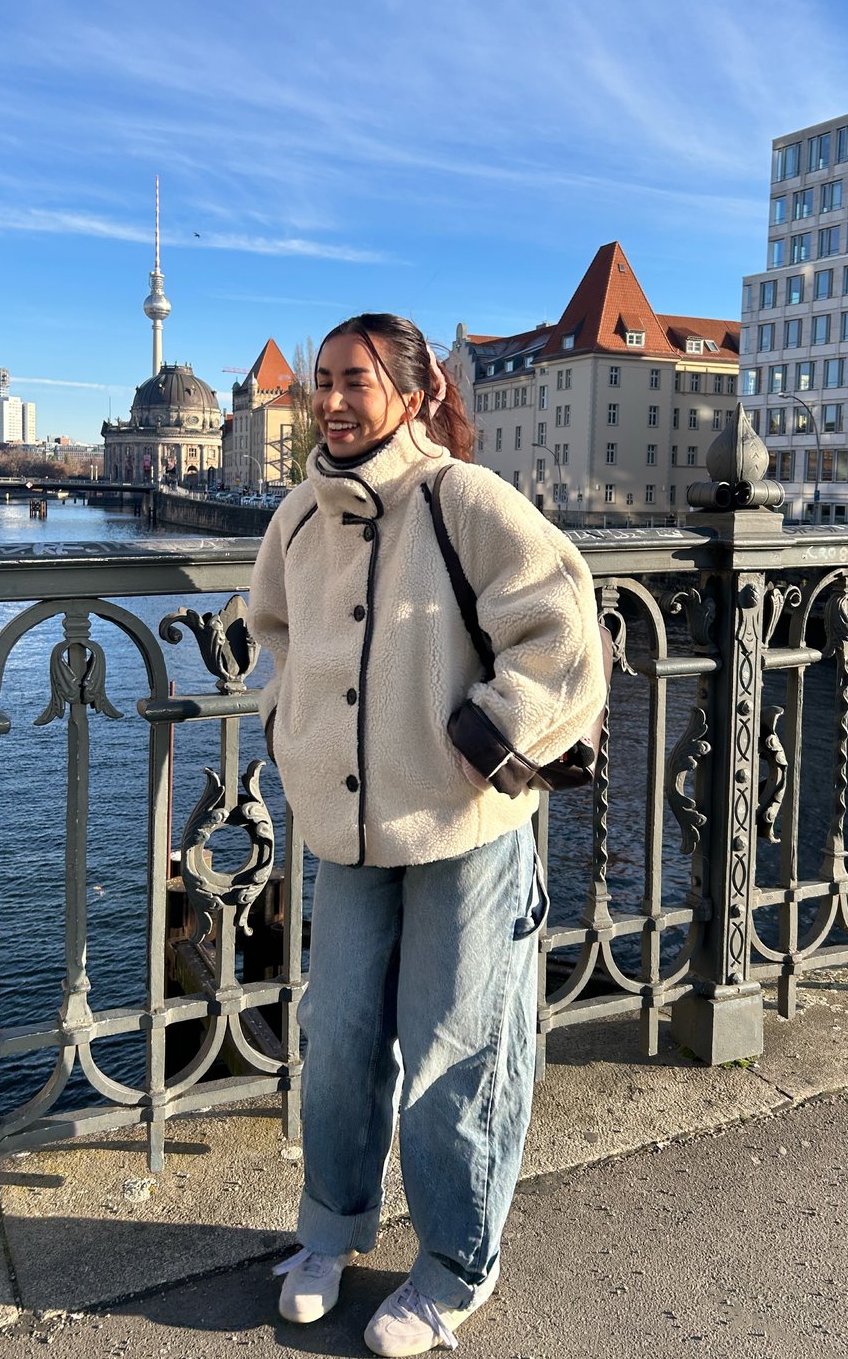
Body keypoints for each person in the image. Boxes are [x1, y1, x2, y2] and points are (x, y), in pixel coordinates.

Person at [248, 313, 605, 1355]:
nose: (330, 400)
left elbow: (563, 625)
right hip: (347, 825)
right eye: (321, 380)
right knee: (338, 1038)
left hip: (461, 819)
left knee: (458, 1047)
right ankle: (329, 1230)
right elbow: (273, 633)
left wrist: (492, 732)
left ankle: (455, 1263)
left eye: (353, 380)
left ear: (411, 394)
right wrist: (290, 727)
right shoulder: (298, 519)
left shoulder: (462, 498)